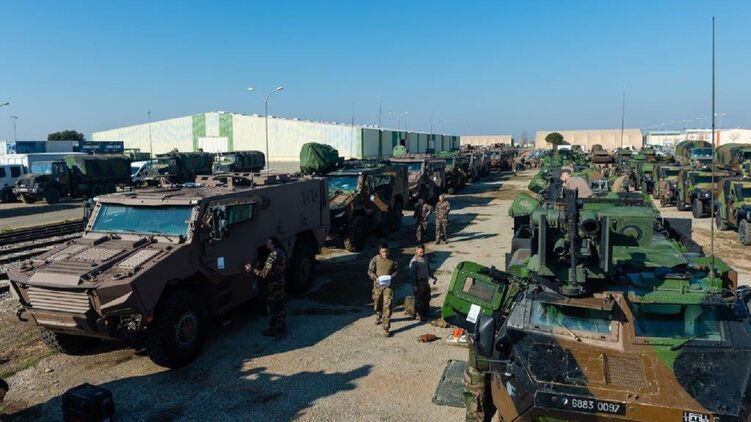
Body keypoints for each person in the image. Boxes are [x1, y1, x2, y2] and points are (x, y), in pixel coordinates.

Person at [245, 238, 287, 337]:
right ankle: (281, 326)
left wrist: (252, 270)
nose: (266, 244)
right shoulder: (281, 252)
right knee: (280, 305)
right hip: (281, 281)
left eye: (268, 242)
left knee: (273, 307)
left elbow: (264, 274)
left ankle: (275, 329)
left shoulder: (272, 255)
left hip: (273, 285)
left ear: (272, 244)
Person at [367, 243, 399, 337]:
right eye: (383, 251)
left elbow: (396, 270)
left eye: (386, 251)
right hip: (378, 286)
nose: (385, 253)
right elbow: (370, 271)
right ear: (380, 251)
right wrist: (375, 278)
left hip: (388, 287)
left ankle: (386, 328)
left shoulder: (393, 260)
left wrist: (391, 276)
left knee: (387, 306)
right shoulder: (375, 259)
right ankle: (378, 315)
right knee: (377, 303)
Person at [409, 244, 437, 320]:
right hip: (418, 282)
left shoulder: (425, 258)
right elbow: (412, 275)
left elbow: (428, 269)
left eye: (423, 252)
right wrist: (414, 285)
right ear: (416, 251)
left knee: (427, 297)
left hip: (425, 281)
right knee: (419, 299)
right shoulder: (414, 262)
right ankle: (418, 314)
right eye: (420, 252)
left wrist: (433, 277)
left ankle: (425, 311)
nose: (422, 253)